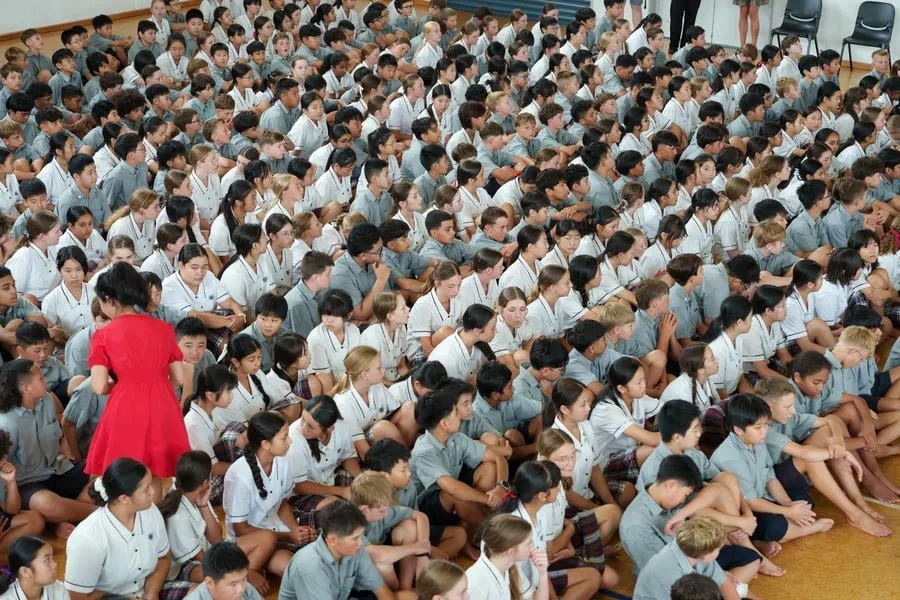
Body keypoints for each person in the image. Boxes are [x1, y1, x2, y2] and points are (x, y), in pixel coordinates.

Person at [88, 261, 191, 495]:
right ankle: (152, 521)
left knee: (126, 474)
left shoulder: (103, 335)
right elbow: (179, 377)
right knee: (157, 471)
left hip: (126, 404)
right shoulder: (164, 328)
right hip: (163, 402)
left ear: (109, 299)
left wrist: (122, 384)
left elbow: (98, 385)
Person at [64, 457, 189, 600]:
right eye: (146, 488)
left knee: (204, 593)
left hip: (145, 591)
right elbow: (77, 596)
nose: (153, 492)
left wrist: (151, 593)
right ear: (124, 498)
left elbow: (163, 558)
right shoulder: (88, 537)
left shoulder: (150, 511)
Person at [278, 500, 412, 600]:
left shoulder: (356, 550)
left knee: (410, 596)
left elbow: (381, 591)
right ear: (332, 540)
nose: (360, 543)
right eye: (355, 538)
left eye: (361, 536)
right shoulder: (310, 566)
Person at [633, 517, 741, 600]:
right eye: (719, 548)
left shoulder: (696, 549)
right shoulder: (669, 575)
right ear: (706, 554)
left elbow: (723, 583)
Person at [183, 541, 264, 600]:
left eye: (244, 579)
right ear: (210, 583)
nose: (241, 589)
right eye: (233, 584)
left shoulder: (247, 589)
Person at [0, 536, 67, 600]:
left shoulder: (59, 590)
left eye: (52, 557)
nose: (55, 564)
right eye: (47, 560)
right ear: (25, 571)